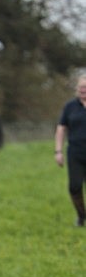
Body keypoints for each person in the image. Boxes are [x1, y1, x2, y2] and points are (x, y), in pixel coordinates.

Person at [54, 73, 86, 226]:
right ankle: (81, 216)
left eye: (85, 87)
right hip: (75, 153)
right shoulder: (70, 106)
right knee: (74, 186)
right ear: (76, 89)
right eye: (80, 87)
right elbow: (61, 128)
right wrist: (58, 151)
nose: (83, 90)